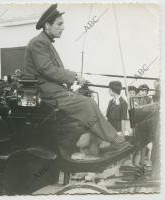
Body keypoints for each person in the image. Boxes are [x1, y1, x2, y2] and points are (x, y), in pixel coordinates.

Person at [23, 4, 130, 152]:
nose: (63, 28)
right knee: (86, 104)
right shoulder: (39, 43)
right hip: (45, 94)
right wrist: (73, 76)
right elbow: (48, 70)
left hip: (53, 91)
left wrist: (74, 76)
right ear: (47, 25)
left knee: (89, 102)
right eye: (59, 24)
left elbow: (54, 70)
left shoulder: (45, 42)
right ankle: (115, 140)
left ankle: (100, 142)